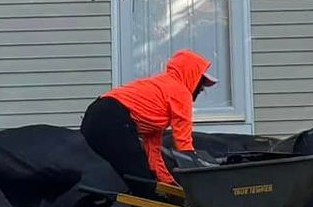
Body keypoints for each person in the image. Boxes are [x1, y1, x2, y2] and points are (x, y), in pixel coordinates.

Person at [81, 50, 215, 193]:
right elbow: (183, 141)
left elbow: (153, 150)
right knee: (142, 183)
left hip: (94, 118)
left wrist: (168, 183)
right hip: (112, 118)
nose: (201, 90)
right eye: (201, 83)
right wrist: (196, 179)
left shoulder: (159, 96)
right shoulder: (180, 92)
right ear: (192, 75)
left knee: (141, 179)